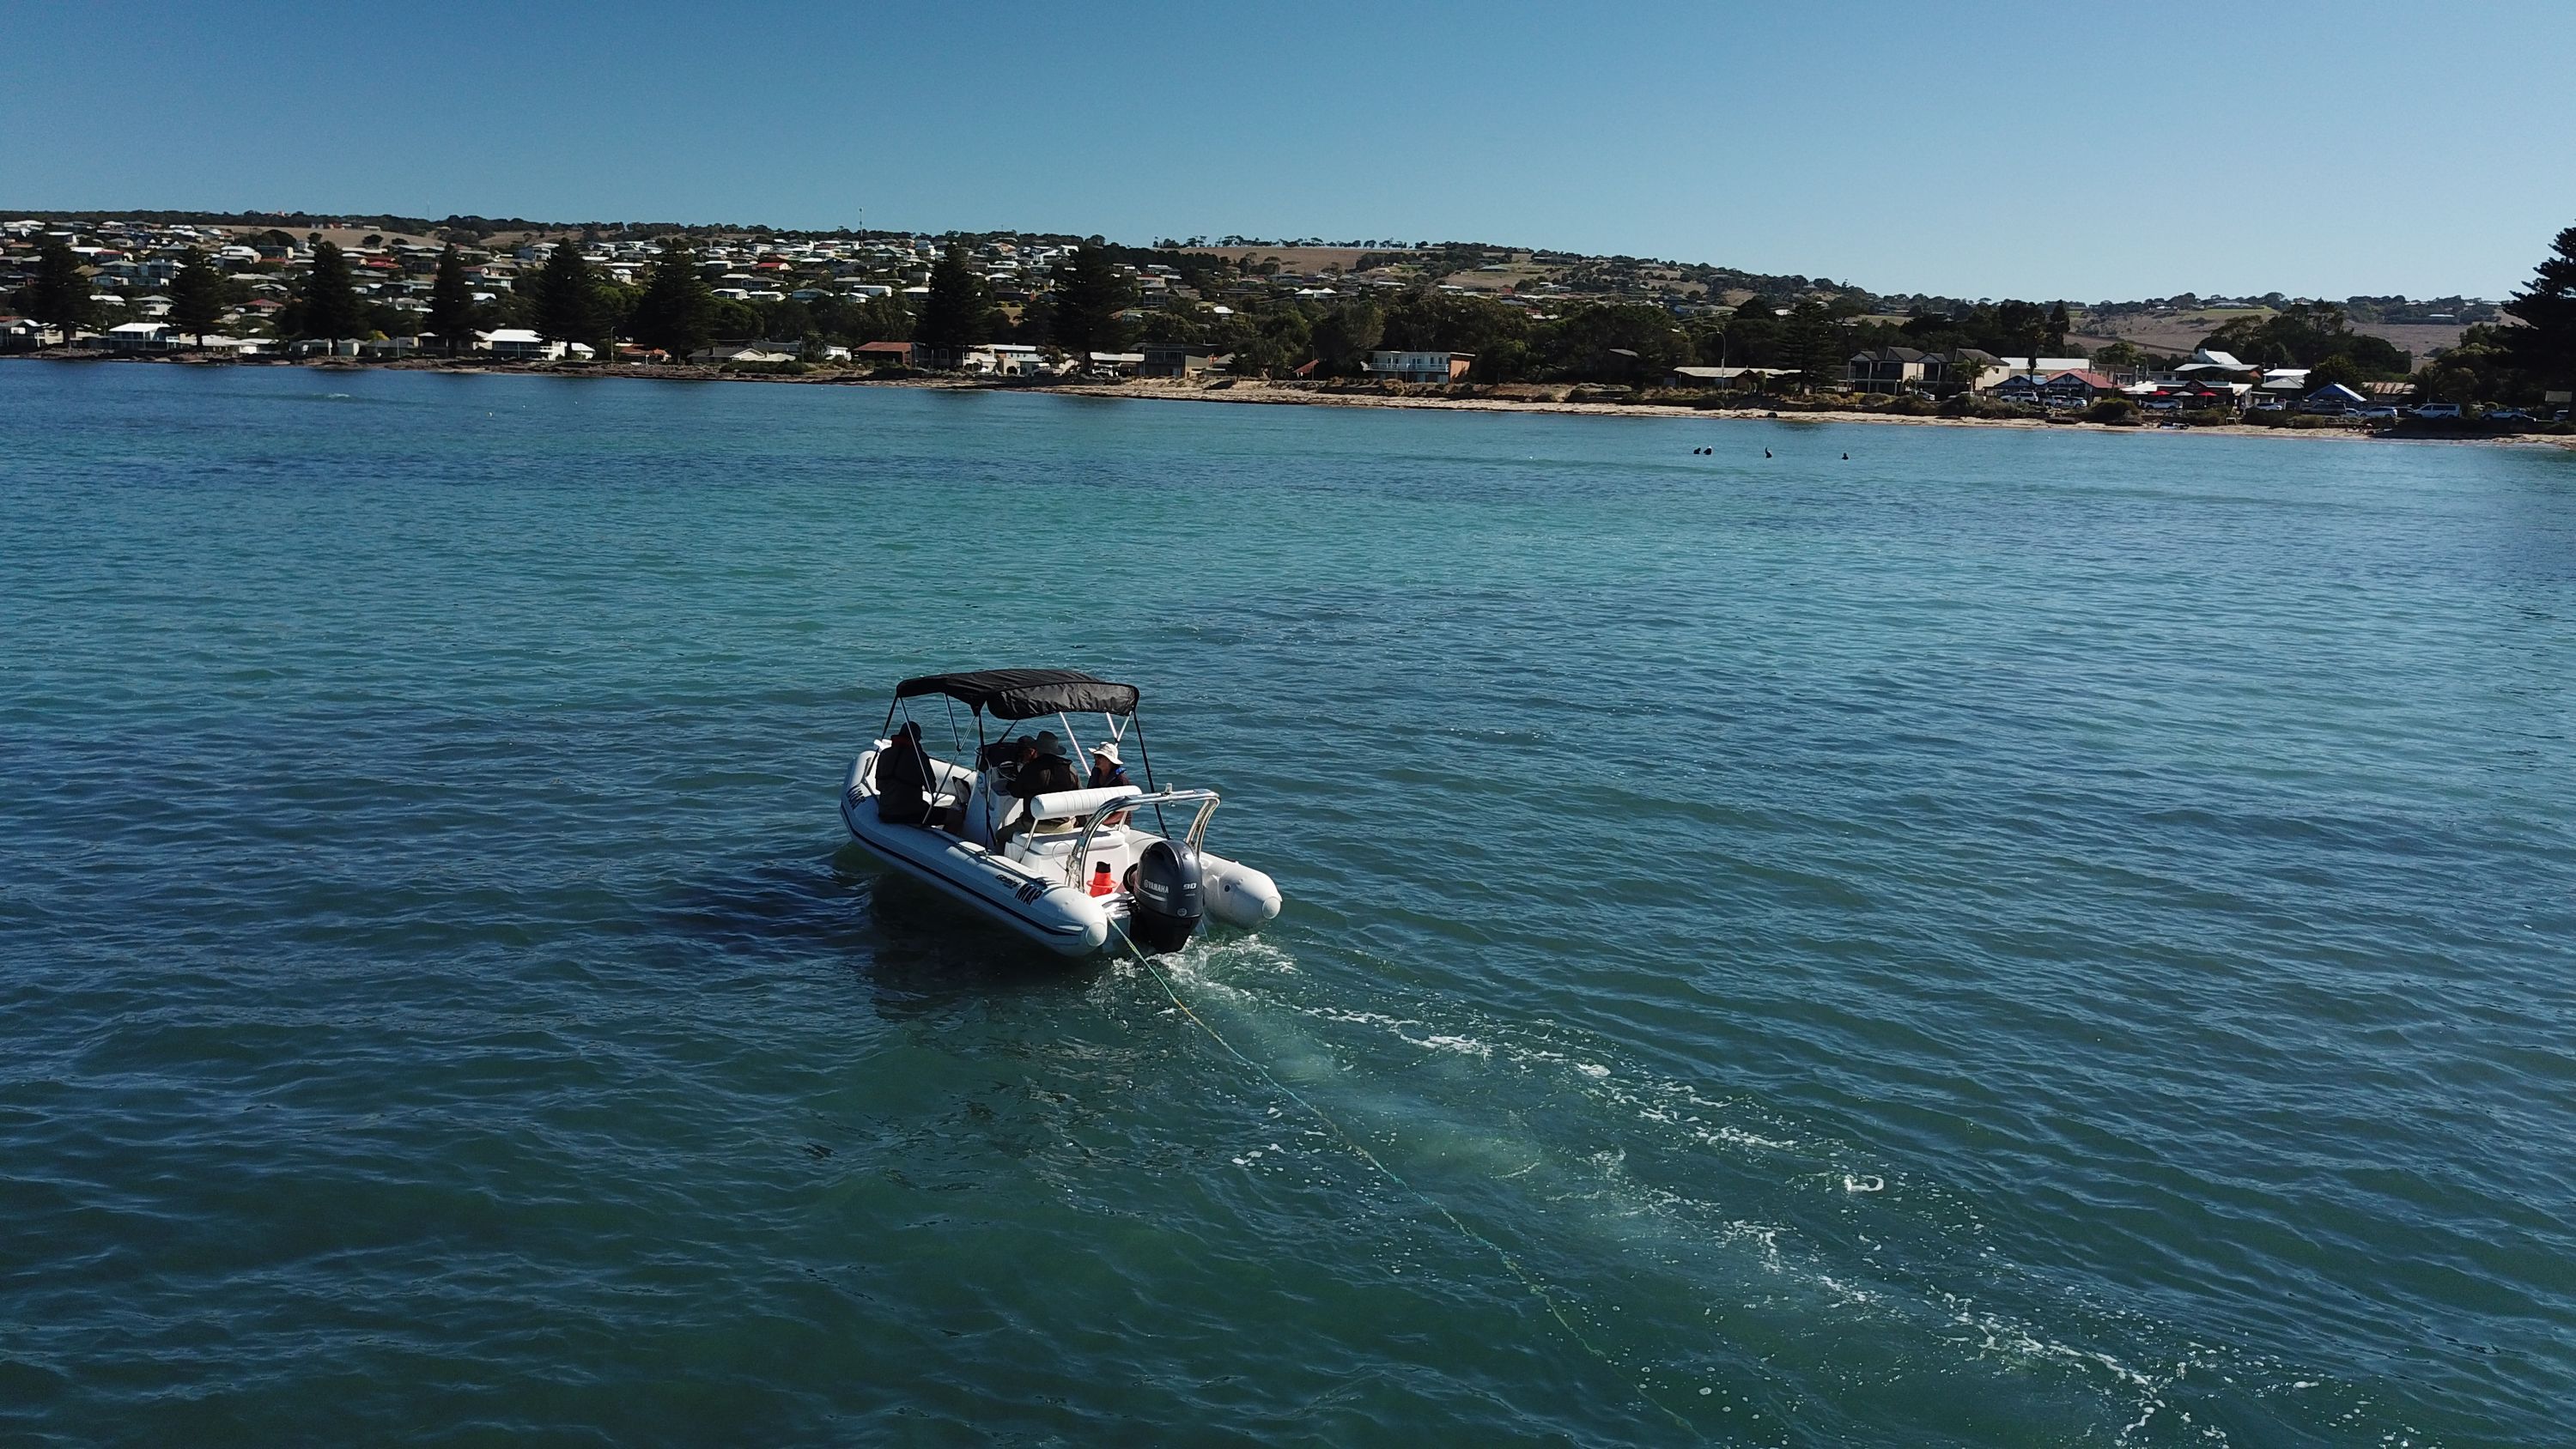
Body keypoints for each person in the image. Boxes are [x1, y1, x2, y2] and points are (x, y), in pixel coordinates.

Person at [995, 731, 1078, 848]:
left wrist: (1011, 783)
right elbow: (1078, 796)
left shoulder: (1030, 769)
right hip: (1063, 825)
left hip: (1034, 824)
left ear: (1037, 749)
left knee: (1000, 835)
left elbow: (1015, 792)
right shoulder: (1071, 769)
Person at [874, 720, 931, 826]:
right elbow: (931, 788)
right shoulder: (920, 757)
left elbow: (879, 786)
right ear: (916, 739)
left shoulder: (885, 754)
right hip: (910, 812)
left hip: (885, 811)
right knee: (954, 816)